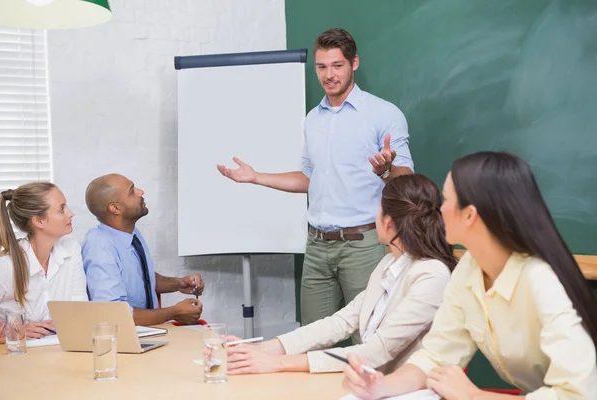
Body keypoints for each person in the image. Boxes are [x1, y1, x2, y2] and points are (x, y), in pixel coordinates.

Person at [342, 152, 597, 400]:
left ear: (469, 215)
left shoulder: (542, 281)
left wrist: (474, 396)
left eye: (445, 200)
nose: (438, 212)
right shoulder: (470, 269)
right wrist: (379, 387)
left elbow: (579, 395)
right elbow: (435, 355)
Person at [217, 28, 414, 326]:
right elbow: (310, 178)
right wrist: (257, 177)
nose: (329, 75)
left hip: (363, 246)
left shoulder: (384, 114)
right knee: (311, 338)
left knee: (369, 337)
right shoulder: (313, 119)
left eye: (337, 66)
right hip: (317, 247)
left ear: (354, 63)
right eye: (322, 67)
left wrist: (386, 169)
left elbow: (407, 179)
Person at [225, 175, 456, 375]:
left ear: (387, 222)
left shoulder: (431, 276)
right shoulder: (389, 264)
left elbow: (376, 352)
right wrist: (263, 349)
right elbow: (341, 322)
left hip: (405, 391)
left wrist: (278, 363)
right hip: (369, 384)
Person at [82, 174, 205, 326]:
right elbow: (113, 313)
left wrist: (178, 284)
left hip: (150, 334)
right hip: (124, 342)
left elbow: (141, 278)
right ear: (115, 208)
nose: (140, 192)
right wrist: (172, 313)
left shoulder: (132, 234)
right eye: (132, 191)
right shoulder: (98, 246)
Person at [0, 183, 88, 343]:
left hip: (59, 351)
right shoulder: (6, 265)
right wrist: (16, 331)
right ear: (39, 221)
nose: (71, 214)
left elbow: (80, 308)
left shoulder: (70, 248)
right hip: (15, 359)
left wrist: (68, 321)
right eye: (61, 209)